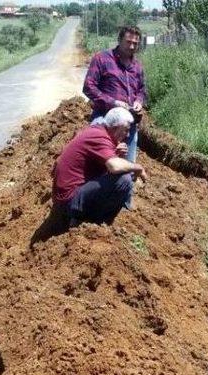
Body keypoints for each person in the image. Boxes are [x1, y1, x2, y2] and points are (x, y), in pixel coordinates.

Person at [83, 26, 146, 208]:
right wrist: (113, 102)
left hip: (129, 124)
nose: (132, 46)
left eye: (135, 43)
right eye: (129, 42)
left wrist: (139, 101)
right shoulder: (102, 59)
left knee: (128, 164)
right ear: (119, 40)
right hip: (104, 121)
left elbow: (142, 90)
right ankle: (88, 204)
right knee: (98, 162)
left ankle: (124, 205)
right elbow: (89, 87)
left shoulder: (137, 66)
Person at [51, 107, 147, 227]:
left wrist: (115, 153)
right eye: (125, 130)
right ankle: (95, 223)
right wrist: (137, 167)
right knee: (124, 180)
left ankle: (85, 218)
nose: (127, 135)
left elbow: (98, 165)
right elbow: (114, 167)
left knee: (119, 175)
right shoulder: (99, 137)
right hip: (69, 201)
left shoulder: (96, 131)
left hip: (66, 197)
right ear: (115, 127)